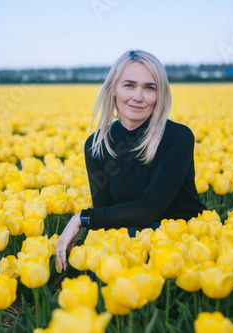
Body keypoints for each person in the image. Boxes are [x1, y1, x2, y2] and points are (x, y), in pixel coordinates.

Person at [55, 50, 205, 272]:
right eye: (129, 85)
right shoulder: (97, 145)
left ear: (159, 95)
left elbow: (149, 210)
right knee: (82, 269)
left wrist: (81, 218)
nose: (138, 96)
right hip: (132, 239)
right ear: (113, 90)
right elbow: (106, 218)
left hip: (184, 245)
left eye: (149, 88)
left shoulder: (177, 137)